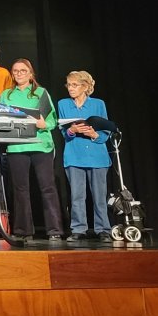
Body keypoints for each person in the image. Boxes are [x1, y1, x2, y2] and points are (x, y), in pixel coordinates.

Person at [1, 59, 63, 241]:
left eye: (23, 71)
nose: (19, 74)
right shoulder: (6, 95)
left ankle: (55, 230)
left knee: (47, 188)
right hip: (17, 145)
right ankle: (23, 231)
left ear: (30, 73)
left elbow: (52, 119)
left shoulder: (40, 92)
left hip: (40, 143)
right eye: (16, 71)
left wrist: (44, 123)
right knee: (20, 189)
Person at [58, 70, 112, 242]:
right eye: (69, 85)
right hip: (75, 155)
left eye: (74, 85)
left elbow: (106, 129)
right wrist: (72, 130)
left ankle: (103, 229)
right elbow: (63, 130)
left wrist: (95, 135)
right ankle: (78, 228)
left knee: (99, 196)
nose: (70, 88)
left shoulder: (98, 104)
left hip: (97, 155)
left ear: (85, 86)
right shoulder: (64, 104)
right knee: (77, 195)